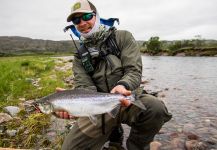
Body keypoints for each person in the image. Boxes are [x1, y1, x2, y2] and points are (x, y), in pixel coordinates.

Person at [56, 0, 172, 149]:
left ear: (96, 16)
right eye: (76, 20)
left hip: (125, 98)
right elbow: (85, 87)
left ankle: (136, 146)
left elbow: (133, 70)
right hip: (97, 107)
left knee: (155, 108)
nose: (82, 23)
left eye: (86, 16)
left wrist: (123, 85)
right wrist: (73, 103)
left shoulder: (123, 37)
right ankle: (114, 132)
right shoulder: (80, 56)